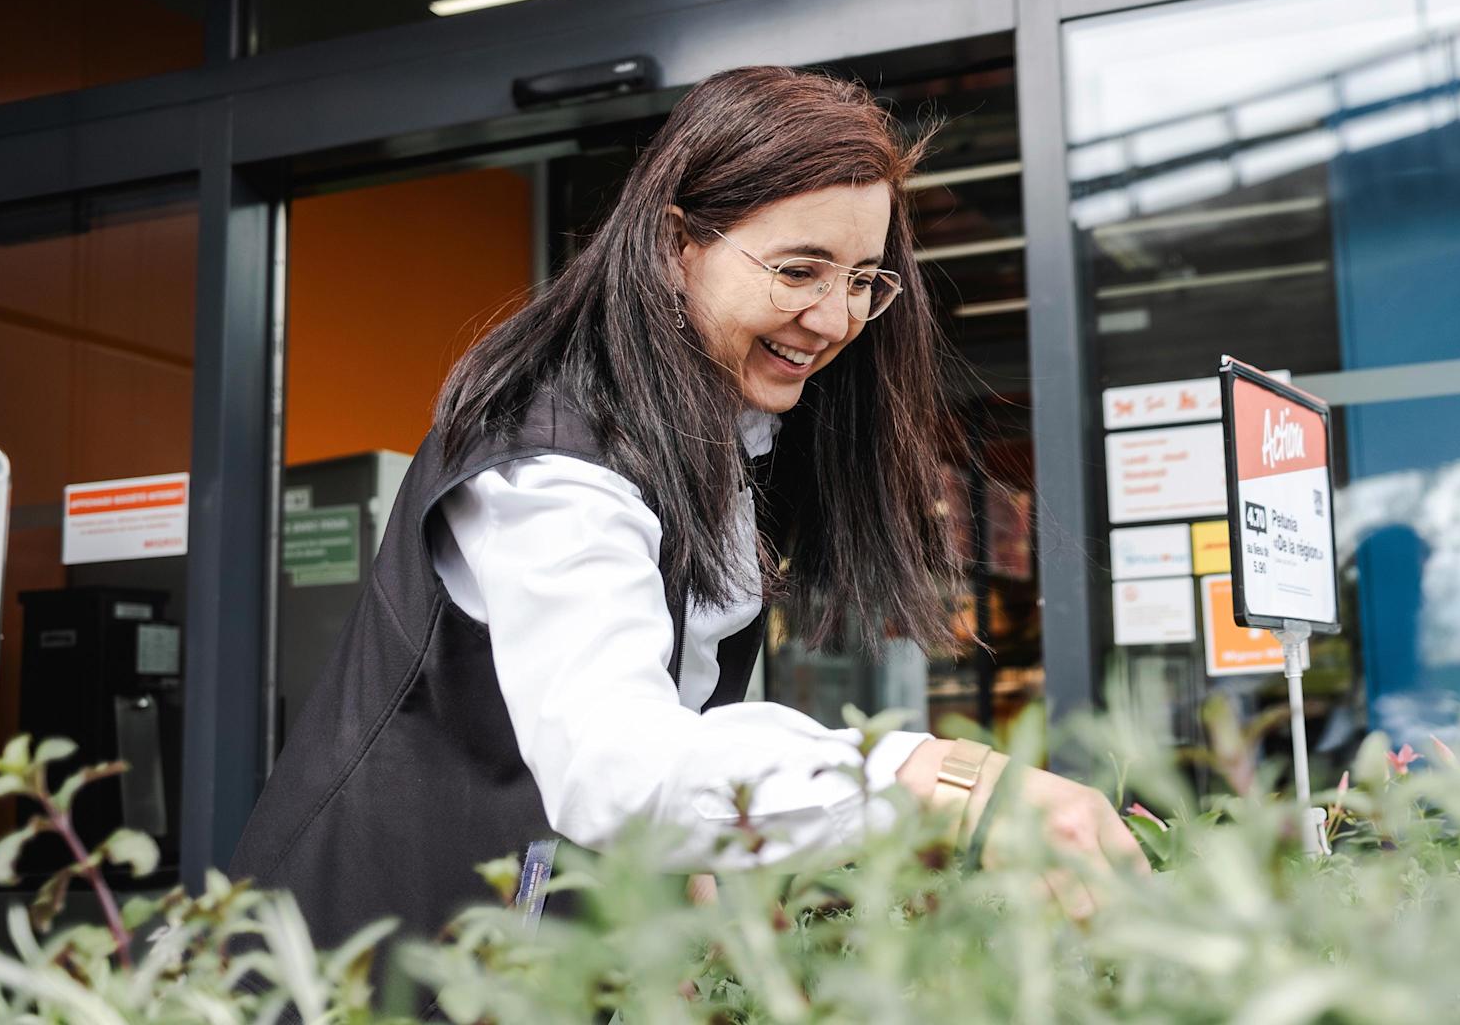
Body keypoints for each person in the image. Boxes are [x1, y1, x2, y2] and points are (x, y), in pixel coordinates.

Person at [229, 65, 1146, 950]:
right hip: (378, 964)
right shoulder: (554, 467)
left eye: (864, 280)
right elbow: (616, 770)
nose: (834, 319)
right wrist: (942, 779)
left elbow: (677, 729)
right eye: (799, 271)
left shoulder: (722, 441)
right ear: (677, 247)